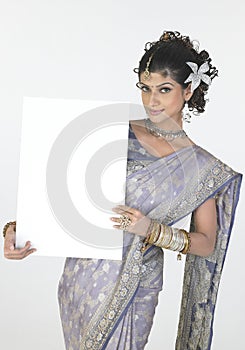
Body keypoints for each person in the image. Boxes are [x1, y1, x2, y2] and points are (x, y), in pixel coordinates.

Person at [3, 31, 242, 349]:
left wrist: (151, 230)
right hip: (83, 276)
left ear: (188, 90)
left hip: (136, 282)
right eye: (145, 88)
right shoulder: (112, 133)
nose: (152, 100)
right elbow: (64, 197)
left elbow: (206, 244)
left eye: (164, 89)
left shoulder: (202, 167)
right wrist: (16, 230)